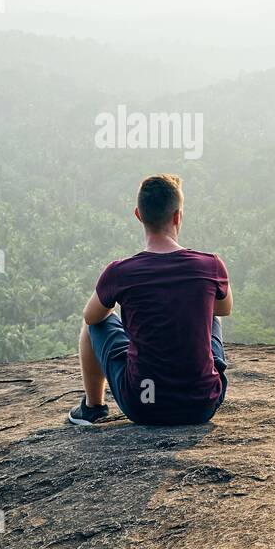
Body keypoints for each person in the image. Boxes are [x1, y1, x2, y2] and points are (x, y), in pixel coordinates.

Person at [69, 173, 231, 426]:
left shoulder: (119, 272)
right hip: (202, 405)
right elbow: (223, 308)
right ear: (178, 216)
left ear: (138, 215)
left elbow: (91, 317)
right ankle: (196, 382)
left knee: (95, 324)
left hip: (144, 405)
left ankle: (93, 408)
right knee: (209, 311)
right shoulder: (210, 264)